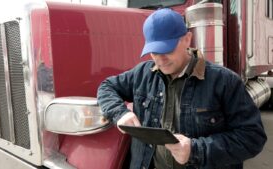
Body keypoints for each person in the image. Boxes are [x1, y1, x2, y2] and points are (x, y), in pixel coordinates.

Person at [97, 8, 267, 169]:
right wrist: (120, 113)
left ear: (187, 39)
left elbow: (252, 137)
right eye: (154, 52)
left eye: (167, 50)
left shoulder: (224, 82)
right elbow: (106, 87)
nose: (160, 59)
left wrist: (195, 150)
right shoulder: (143, 74)